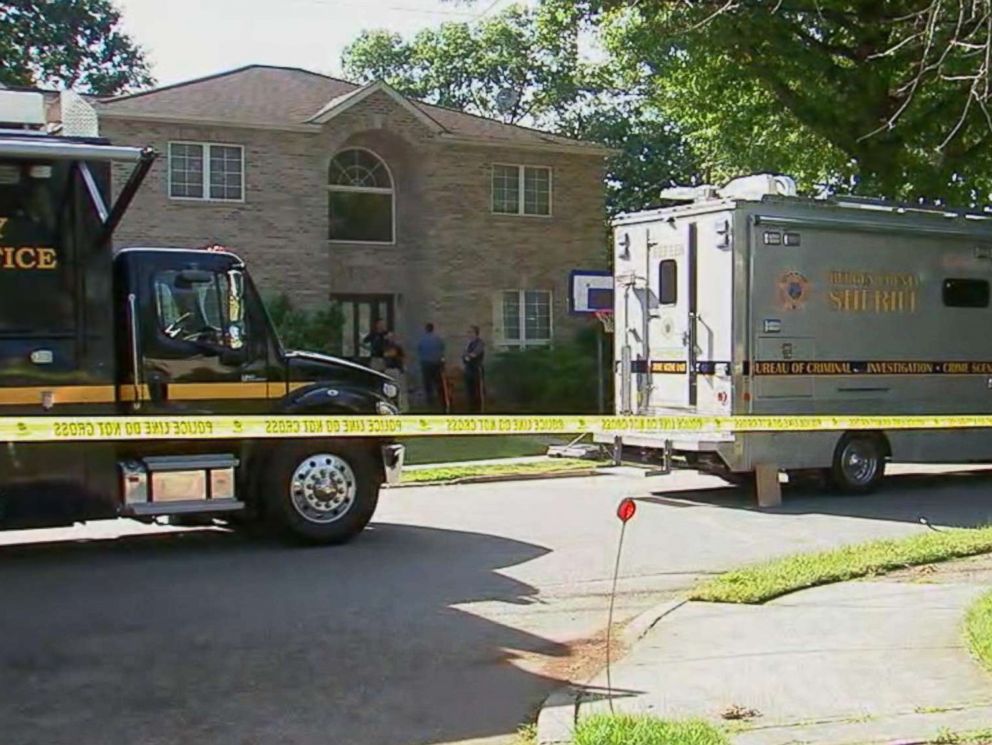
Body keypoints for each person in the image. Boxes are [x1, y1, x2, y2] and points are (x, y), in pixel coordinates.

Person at [416, 322, 447, 410]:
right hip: (436, 364)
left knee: (428, 384)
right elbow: (442, 348)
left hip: (426, 364)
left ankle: (430, 402)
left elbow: (419, 350)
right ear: (433, 329)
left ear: (426, 329)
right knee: (438, 383)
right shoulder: (438, 339)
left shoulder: (422, 339)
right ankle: (442, 402)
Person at [383, 331, 409, 411]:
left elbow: (403, 357)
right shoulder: (387, 347)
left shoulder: (392, 347)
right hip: (391, 370)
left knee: (397, 389)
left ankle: (400, 407)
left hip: (394, 370)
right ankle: (396, 406)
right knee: (393, 390)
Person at [462, 325, 485, 413]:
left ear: (476, 333)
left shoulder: (480, 343)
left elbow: (474, 354)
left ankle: (478, 410)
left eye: (470, 332)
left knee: (477, 391)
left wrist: (468, 357)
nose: (468, 334)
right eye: (468, 332)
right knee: (469, 391)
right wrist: (467, 357)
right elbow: (464, 356)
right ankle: (471, 410)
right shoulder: (468, 344)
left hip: (476, 369)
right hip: (468, 370)